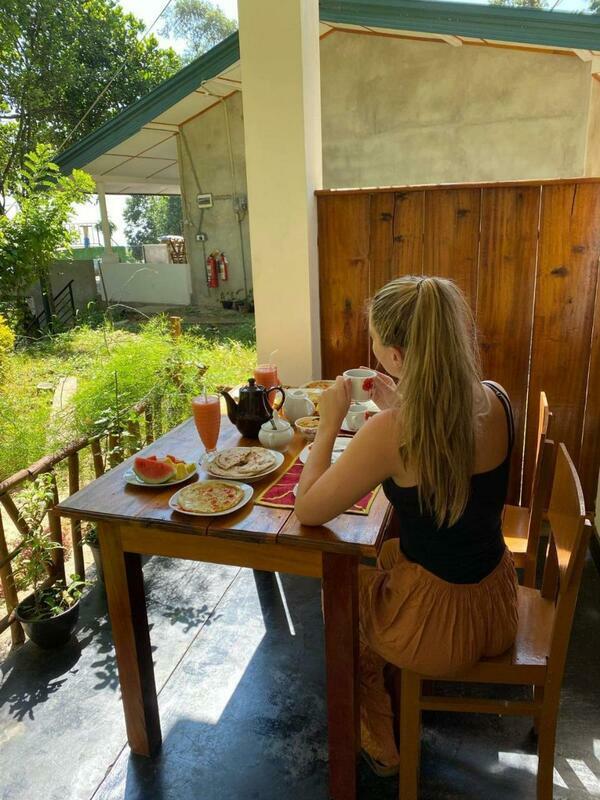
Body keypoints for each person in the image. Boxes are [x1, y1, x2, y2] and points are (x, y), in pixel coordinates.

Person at [295, 275, 519, 776]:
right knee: (387, 557)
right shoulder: (496, 398)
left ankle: (379, 738)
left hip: (438, 629)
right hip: (498, 603)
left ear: (395, 356)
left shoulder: (390, 433)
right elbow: (447, 449)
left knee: (341, 589)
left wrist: (328, 425)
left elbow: (308, 508)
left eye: (376, 343)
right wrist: (399, 404)